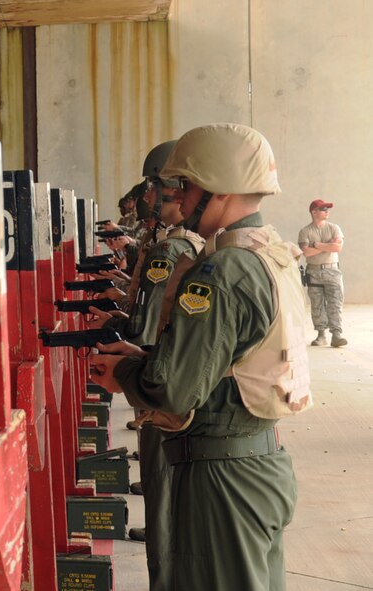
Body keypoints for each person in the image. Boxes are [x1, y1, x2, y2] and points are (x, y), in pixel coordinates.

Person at [90, 123, 312, 591]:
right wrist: (148, 354)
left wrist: (126, 372)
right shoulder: (272, 255)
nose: (180, 200)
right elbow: (231, 358)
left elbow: (173, 391)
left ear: (220, 187)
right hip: (262, 463)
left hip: (222, 480)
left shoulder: (221, 271)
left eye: (187, 187)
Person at [89, 141, 204, 591]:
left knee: (160, 483)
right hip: (163, 368)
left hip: (159, 374)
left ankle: (164, 568)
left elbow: (145, 322)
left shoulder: (169, 250)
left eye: (155, 189)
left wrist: (129, 361)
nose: (149, 199)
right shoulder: (186, 246)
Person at [298, 200, 346, 347]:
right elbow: (306, 252)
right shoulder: (305, 231)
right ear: (314, 212)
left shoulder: (334, 228)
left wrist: (317, 245)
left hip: (332, 270)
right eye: (323, 209)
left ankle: (336, 335)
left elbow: (337, 248)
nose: (327, 211)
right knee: (317, 305)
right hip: (314, 271)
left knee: (335, 303)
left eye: (327, 209)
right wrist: (328, 246)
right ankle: (321, 335)